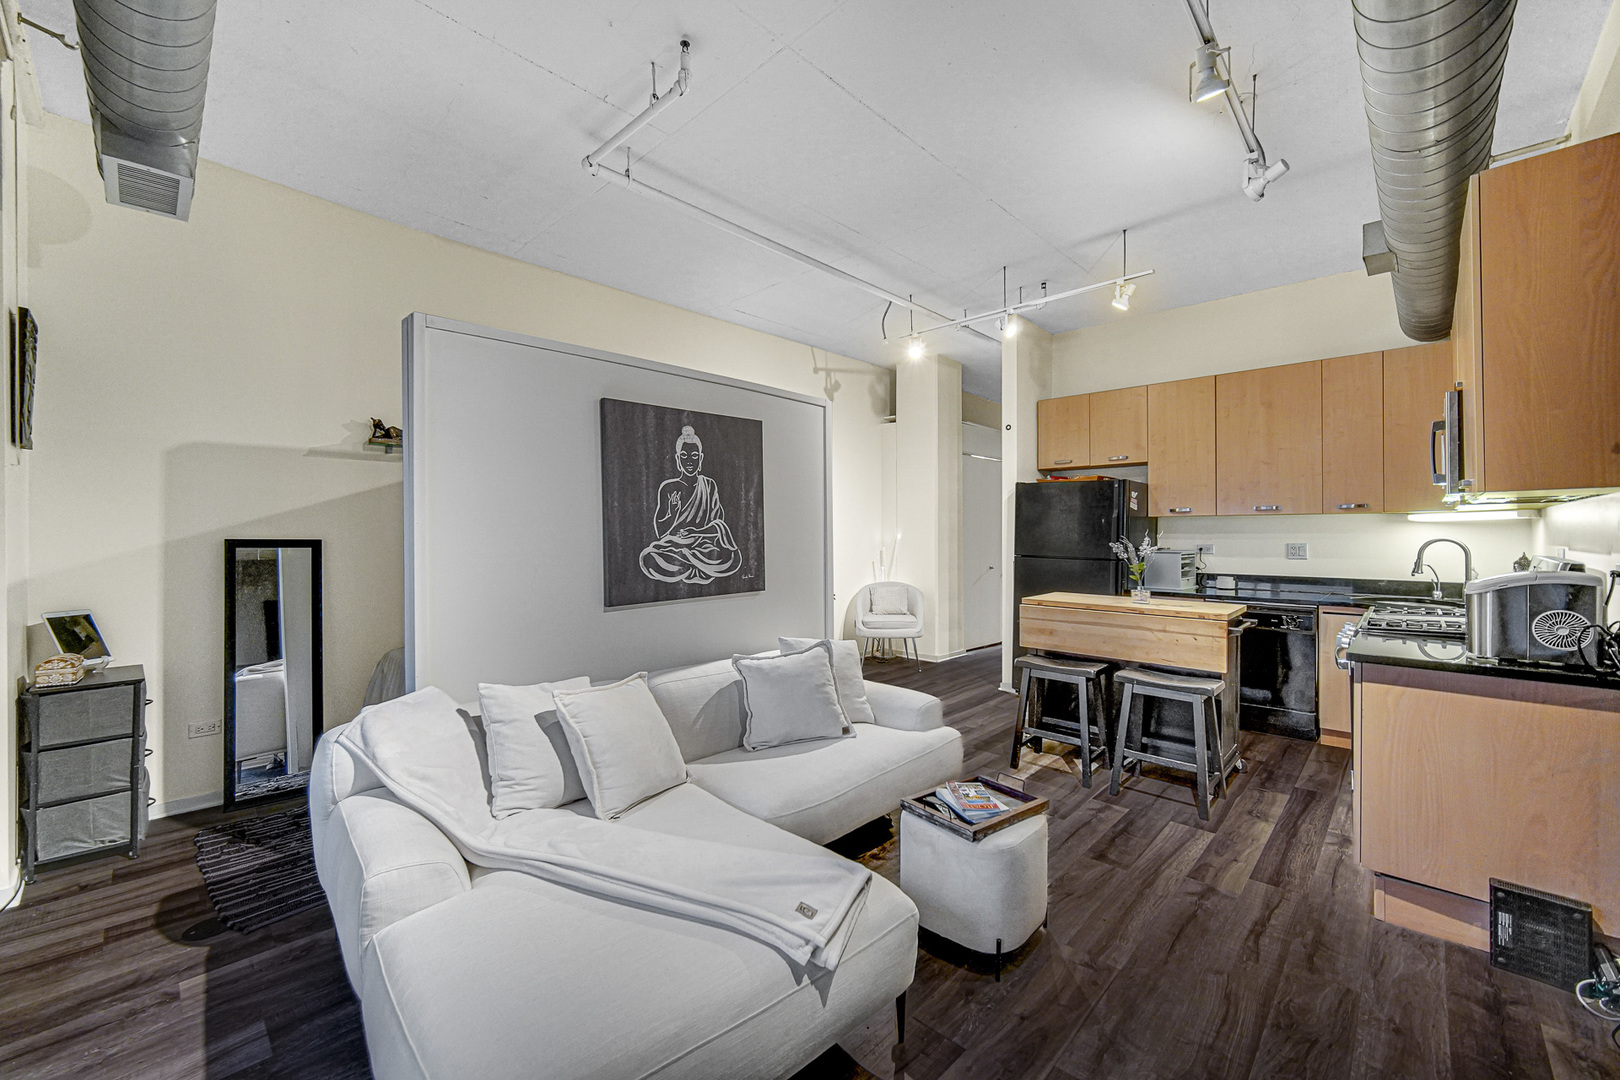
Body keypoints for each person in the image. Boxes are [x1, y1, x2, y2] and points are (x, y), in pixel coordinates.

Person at [639, 426, 743, 584]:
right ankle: (698, 568)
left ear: (701, 459)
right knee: (648, 557)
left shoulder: (709, 485)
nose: (689, 461)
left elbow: (719, 526)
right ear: (677, 459)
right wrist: (673, 515)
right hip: (674, 547)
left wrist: (696, 531)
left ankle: (688, 568)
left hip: (704, 548)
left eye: (694, 456)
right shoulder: (668, 487)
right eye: (684, 456)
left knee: (730, 556)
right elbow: (660, 532)